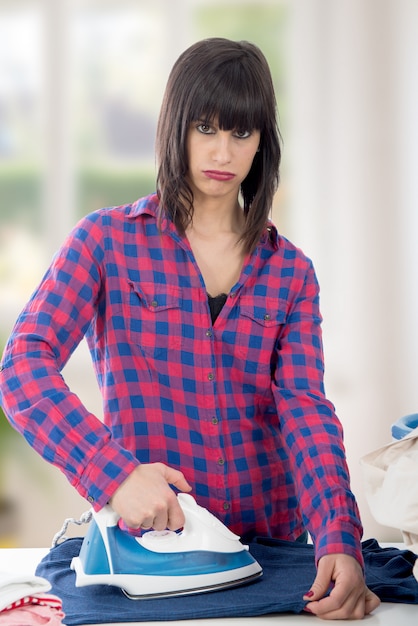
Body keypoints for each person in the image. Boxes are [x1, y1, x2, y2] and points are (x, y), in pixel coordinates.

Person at [0, 38, 379, 619]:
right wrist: (114, 474)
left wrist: (337, 534)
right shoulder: (104, 242)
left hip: (274, 557)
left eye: (241, 133)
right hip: (155, 554)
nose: (222, 152)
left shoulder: (291, 273)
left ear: (262, 142)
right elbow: (22, 365)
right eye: (205, 127)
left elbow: (305, 409)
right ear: (175, 126)